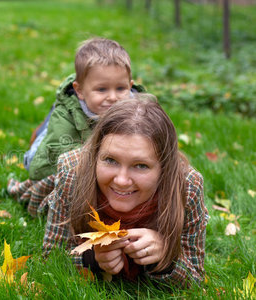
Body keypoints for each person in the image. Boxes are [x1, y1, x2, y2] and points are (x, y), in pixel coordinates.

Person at [43, 97, 209, 286]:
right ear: (96, 155)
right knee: (33, 191)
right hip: (49, 187)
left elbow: (195, 276)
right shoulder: (73, 172)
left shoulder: (186, 186)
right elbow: (51, 258)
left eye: (140, 165)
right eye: (111, 160)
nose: (121, 181)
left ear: (164, 168)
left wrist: (166, 258)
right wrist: (92, 259)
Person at [8, 37, 145, 216]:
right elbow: (54, 158)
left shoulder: (141, 108)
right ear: (80, 90)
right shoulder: (65, 117)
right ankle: (43, 128)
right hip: (54, 145)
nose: (113, 97)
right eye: (102, 89)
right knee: (44, 159)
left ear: (130, 86)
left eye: (120, 89)